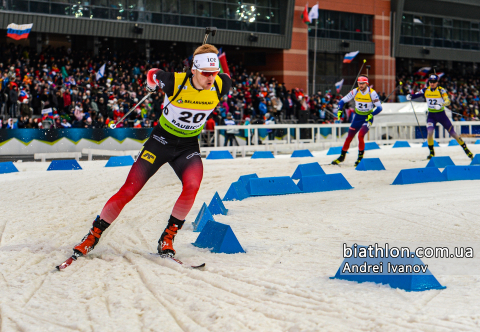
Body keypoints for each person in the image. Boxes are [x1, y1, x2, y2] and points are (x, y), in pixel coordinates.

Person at [69, 43, 232, 261]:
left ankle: (168, 237)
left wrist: (214, 59)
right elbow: (153, 74)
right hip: (160, 141)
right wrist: (150, 86)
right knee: (129, 190)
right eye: (205, 73)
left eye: (214, 73)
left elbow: (225, 75)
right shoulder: (175, 81)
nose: (211, 78)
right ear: (193, 70)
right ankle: (93, 235)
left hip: (188, 146)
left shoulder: (221, 84)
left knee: (192, 186)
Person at [407, 74, 473, 160]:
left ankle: (466, 149)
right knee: (430, 133)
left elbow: (448, 101)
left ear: (437, 82)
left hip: (441, 115)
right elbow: (416, 95)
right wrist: (410, 96)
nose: (432, 84)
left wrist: (440, 104)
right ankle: (431, 153)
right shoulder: (425, 90)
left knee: (453, 133)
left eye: (434, 82)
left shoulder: (441, 90)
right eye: (431, 82)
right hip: (431, 115)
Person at [332, 76, 383, 166]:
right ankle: (342, 156)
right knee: (349, 137)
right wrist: (340, 109)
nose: (361, 85)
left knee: (360, 136)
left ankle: (360, 158)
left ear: (367, 83)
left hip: (367, 117)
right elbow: (342, 101)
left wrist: (372, 114)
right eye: (359, 83)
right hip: (358, 117)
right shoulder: (355, 91)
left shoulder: (372, 93)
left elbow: (379, 108)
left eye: (363, 83)